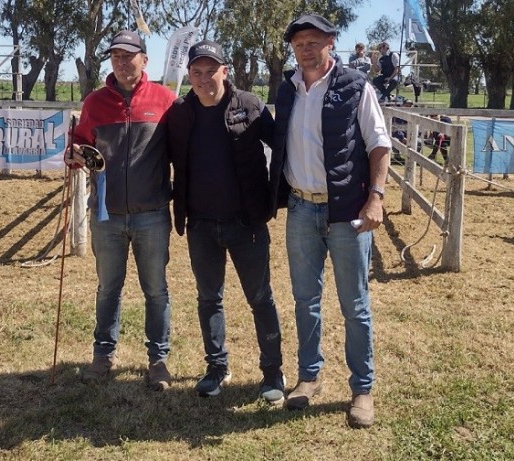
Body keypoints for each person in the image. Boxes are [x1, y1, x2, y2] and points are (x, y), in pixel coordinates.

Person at [269, 14, 391, 429]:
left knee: (354, 305)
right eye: (299, 41)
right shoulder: (286, 91)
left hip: (346, 212)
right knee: (305, 300)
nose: (305, 47)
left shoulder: (357, 86)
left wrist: (375, 198)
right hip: (301, 208)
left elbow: (379, 145)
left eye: (314, 40)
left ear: (331, 43)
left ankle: (362, 388)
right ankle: (309, 376)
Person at [166, 40, 286, 403]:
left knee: (260, 298)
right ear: (189, 75)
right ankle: (217, 368)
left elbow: (283, 147)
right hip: (201, 226)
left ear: (225, 71)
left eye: (211, 70)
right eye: (197, 72)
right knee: (208, 299)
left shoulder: (249, 106)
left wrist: (276, 198)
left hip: (245, 224)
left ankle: (273, 373)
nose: (204, 79)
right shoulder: (180, 113)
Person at [64, 30, 177, 392]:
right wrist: (74, 154)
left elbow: (185, 150)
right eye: (116, 57)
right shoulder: (94, 102)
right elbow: (80, 141)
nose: (123, 63)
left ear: (145, 60)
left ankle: (158, 360)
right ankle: (103, 355)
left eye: (129, 56)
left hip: (153, 213)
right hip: (107, 214)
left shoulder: (166, 100)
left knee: (156, 290)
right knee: (107, 288)